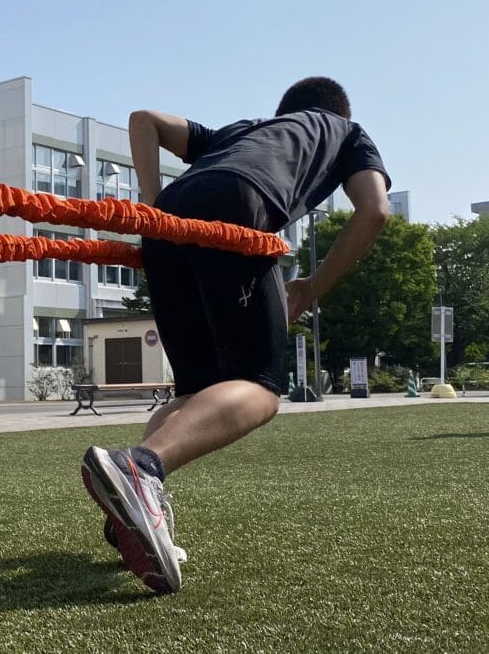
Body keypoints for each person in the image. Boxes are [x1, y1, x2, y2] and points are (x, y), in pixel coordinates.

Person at [81, 77, 391, 594]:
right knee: (262, 388)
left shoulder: (244, 130)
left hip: (170, 221)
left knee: (195, 394)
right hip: (238, 207)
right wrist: (310, 287)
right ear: (334, 110)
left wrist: (155, 208)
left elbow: (145, 121)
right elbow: (374, 210)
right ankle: (141, 469)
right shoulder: (345, 130)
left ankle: (129, 506)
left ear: (283, 110)